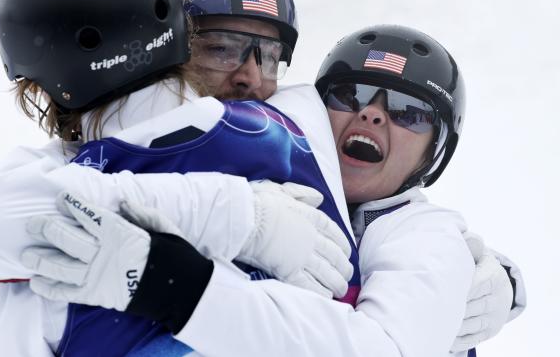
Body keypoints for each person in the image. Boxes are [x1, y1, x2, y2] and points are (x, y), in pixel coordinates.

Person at [0, 0, 524, 356]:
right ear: (169, 51)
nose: (251, 76)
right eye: (222, 48)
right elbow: (2, 224)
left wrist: (488, 278)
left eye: (269, 56)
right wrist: (234, 217)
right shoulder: (98, 154)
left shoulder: (297, 150)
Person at [29, 25, 524, 357]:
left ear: (433, 154)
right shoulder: (255, 152)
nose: (372, 114)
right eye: (350, 94)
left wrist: (174, 287)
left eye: (408, 111)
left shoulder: (423, 232)